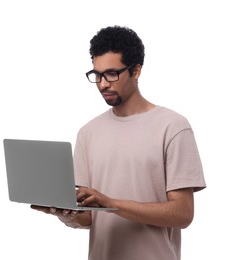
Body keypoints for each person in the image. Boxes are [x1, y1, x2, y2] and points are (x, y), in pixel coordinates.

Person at [31, 25, 206, 260]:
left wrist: (112, 203)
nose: (103, 84)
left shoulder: (173, 127)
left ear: (136, 71)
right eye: (97, 75)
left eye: (112, 74)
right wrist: (67, 214)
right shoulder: (88, 133)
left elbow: (183, 214)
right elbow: (88, 218)